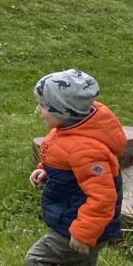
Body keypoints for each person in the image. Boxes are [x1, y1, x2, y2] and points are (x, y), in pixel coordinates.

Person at [27, 69, 125, 265]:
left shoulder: (85, 150)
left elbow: (103, 197)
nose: (38, 109)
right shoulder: (70, 127)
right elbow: (62, 157)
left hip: (82, 224)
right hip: (75, 216)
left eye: (43, 105)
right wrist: (47, 169)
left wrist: (83, 232)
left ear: (63, 110)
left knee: (37, 259)